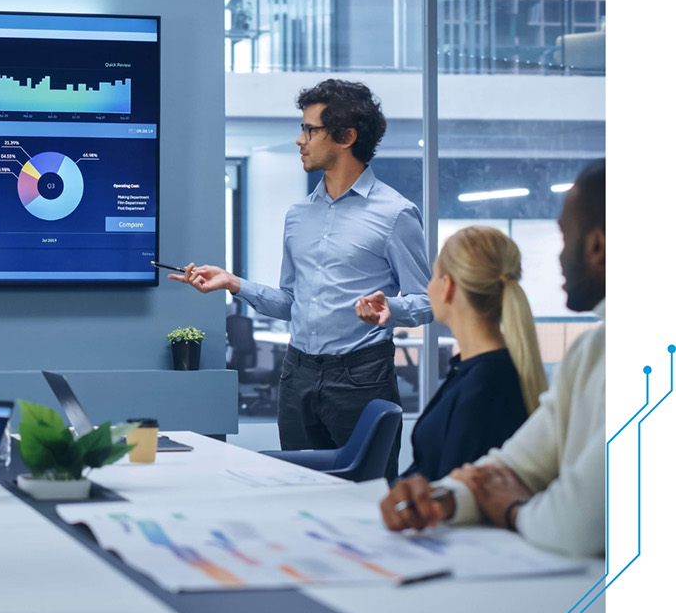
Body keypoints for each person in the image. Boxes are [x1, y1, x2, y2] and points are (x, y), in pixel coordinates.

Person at [173, 79, 432, 476]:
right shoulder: (298, 215)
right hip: (298, 374)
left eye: (310, 129)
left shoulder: (396, 214)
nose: (300, 139)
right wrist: (233, 283)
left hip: (361, 377)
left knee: (365, 495)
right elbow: (290, 302)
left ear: (346, 136)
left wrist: (389, 309)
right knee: (296, 488)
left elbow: (426, 302)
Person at [380, 160, 605, 559]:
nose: (559, 256)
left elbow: (579, 523)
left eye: (564, 236)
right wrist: (443, 497)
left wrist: (513, 509)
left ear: (597, 247)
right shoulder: (591, 352)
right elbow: (512, 466)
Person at [400, 226, 546, 480]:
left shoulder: (487, 386)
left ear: (447, 287)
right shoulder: (477, 371)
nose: (428, 288)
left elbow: (449, 494)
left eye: (433, 277)